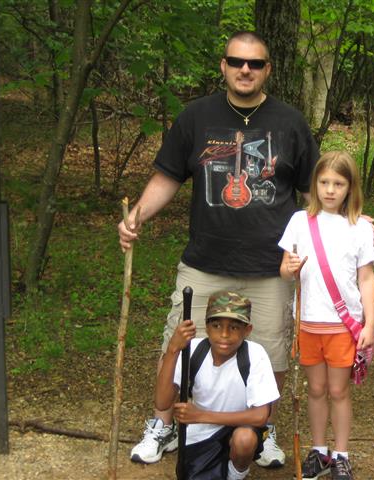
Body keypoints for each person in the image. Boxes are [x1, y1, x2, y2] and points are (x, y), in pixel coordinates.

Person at [119, 31, 320, 467]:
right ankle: (163, 424)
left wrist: (351, 226)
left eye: (255, 64)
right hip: (205, 263)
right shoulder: (195, 117)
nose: (244, 69)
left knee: (270, 349)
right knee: (180, 342)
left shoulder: (290, 122)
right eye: (236, 61)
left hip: (272, 266)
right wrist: (136, 216)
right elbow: (168, 176)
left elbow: (314, 193)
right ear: (223, 66)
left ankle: (260, 430)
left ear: (268, 69)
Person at [278, 151, 374, 480]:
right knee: (315, 389)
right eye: (324, 182)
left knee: (339, 391)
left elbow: (366, 278)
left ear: (350, 188)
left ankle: (342, 454)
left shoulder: (359, 228)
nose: (330, 190)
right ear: (314, 184)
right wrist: (289, 267)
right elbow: (284, 270)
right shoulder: (298, 221)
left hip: (342, 326)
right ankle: (319, 450)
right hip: (308, 323)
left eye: (338, 183)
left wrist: (370, 324)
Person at [156, 290, 279, 479]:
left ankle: (235, 474)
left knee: (244, 440)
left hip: (240, 427)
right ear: (206, 327)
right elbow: (162, 403)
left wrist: (201, 415)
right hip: (200, 433)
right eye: (216, 325)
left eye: (234, 327)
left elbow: (260, 416)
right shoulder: (194, 350)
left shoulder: (255, 355)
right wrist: (173, 349)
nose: (224, 334)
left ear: (247, 330)